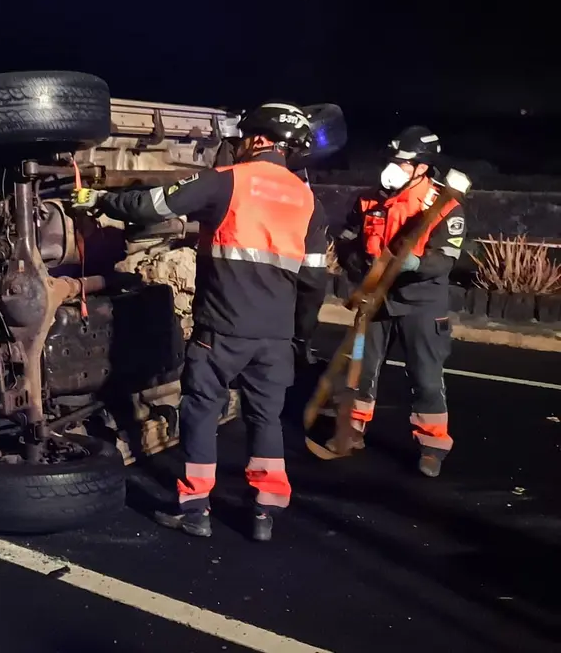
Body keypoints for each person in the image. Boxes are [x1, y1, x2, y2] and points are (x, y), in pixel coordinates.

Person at [73, 102, 329, 541]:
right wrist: (301, 336)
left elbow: (152, 205)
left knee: (201, 412)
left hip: (222, 330)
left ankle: (195, 510)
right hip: (275, 336)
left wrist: (99, 199)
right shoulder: (310, 202)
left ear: (257, 139)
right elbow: (314, 281)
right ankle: (264, 513)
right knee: (265, 419)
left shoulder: (227, 180)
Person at [332, 126, 464, 477]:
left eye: (403, 162)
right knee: (360, 368)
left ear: (423, 167)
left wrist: (415, 264)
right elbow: (347, 240)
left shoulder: (444, 205)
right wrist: (361, 267)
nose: (393, 167)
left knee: (425, 376)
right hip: (377, 299)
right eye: (392, 160)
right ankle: (352, 430)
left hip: (422, 303)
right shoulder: (368, 200)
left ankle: (432, 446)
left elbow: (445, 259)